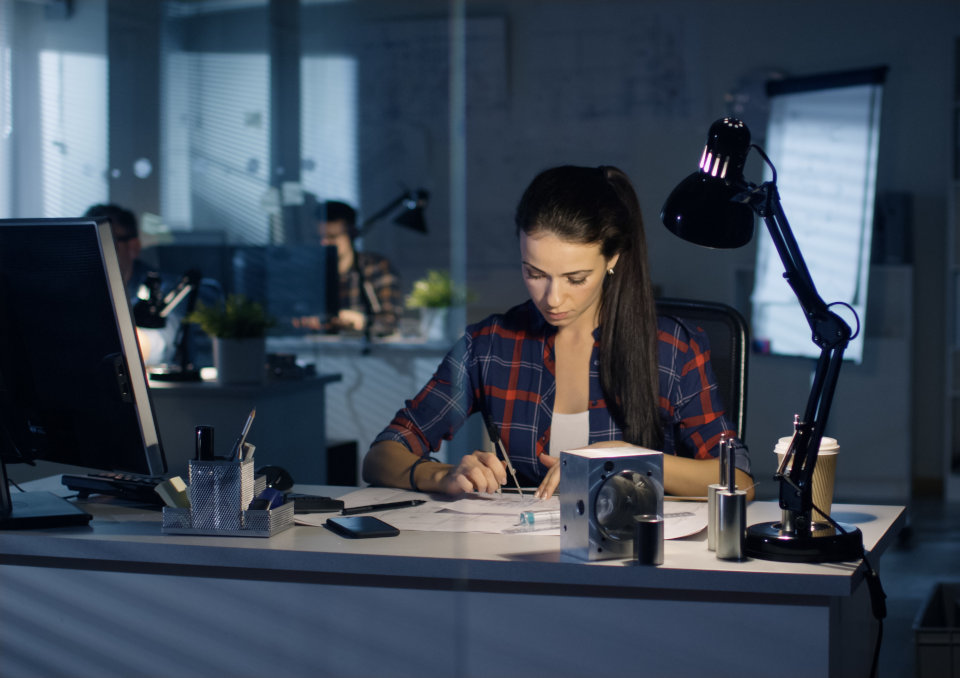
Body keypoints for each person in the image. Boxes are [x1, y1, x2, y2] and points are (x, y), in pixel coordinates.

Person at [362, 165, 753, 500]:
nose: (552, 298)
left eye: (576, 278)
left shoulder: (671, 349)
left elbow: (738, 481)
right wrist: (440, 475)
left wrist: (633, 461)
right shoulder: (490, 346)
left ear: (612, 259)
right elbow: (382, 454)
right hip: (523, 553)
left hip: (635, 558)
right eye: (534, 274)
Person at [315, 200, 401, 336]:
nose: (324, 243)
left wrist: (359, 321)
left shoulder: (375, 267)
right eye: (320, 237)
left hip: (363, 353)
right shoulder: (313, 272)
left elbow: (390, 322)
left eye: (332, 237)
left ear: (351, 233)